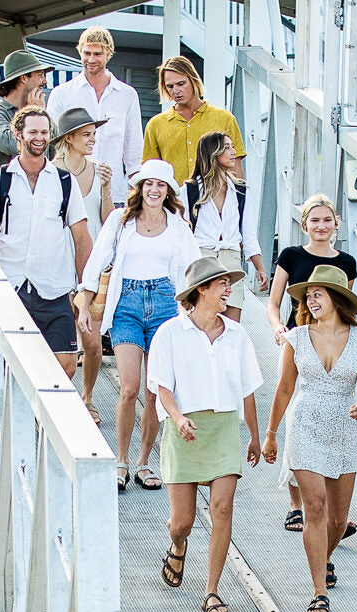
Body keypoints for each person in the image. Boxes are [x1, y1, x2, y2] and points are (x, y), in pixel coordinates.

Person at [260, 266, 357, 612]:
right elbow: (284, 388)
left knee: (339, 520)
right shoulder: (297, 338)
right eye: (308, 295)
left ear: (336, 298)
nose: (311, 300)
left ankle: (324, 556)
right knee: (314, 509)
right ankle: (318, 592)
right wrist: (270, 434)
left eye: (318, 293)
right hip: (307, 424)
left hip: (345, 426)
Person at [74, 159, 198, 492]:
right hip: (127, 302)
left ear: (168, 190)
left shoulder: (178, 227)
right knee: (128, 388)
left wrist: (196, 315)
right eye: (148, 184)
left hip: (164, 304)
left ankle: (145, 462)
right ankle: (121, 460)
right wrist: (85, 303)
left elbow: (194, 271)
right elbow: (97, 259)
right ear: (140, 189)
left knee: (154, 391)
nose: (154, 190)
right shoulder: (120, 220)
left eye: (160, 185)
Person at [149, 256, 263, 612]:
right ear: (202, 290)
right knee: (182, 521)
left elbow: (248, 390)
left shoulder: (237, 334)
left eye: (229, 283)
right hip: (185, 429)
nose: (230, 289)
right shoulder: (169, 333)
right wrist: (178, 417)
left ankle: (212, 590)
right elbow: (162, 388)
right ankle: (177, 544)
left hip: (225, 427)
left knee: (222, 510)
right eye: (222, 284)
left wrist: (258, 437)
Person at [0, 106, 94, 388]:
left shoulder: (65, 182)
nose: (39, 138)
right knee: (8, 361)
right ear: (18, 135)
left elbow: (82, 237)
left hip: (52, 286)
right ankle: (23, 421)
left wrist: (83, 290)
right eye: (33, 132)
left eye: (44, 132)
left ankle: (38, 419)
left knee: (65, 363)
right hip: (9, 285)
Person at [267, 193, 357, 535]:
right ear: (304, 224)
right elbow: (274, 302)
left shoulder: (347, 262)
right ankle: (298, 505)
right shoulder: (292, 256)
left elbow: (346, 307)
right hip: (298, 338)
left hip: (332, 342)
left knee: (333, 417)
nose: (321, 226)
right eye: (314, 220)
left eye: (327, 220)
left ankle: (334, 510)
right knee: (295, 413)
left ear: (336, 223)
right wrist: (279, 327)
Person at [51, 107, 115, 425]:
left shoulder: (98, 169)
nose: (92, 139)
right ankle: (62, 401)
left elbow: (108, 219)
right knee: (61, 343)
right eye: (86, 134)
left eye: (94, 133)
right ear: (70, 138)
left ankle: (87, 397)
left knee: (92, 343)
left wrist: (105, 189)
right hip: (56, 267)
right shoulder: (52, 171)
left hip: (91, 269)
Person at [184, 131, 268, 322]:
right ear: (213, 152)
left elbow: (248, 235)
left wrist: (260, 268)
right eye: (227, 147)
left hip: (231, 261)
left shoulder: (241, 191)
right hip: (201, 259)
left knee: (232, 326)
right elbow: (180, 234)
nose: (233, 152)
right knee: (202, 323)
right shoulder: (189, 190)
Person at [46, 26, 142, 184]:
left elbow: (134, 148)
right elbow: (52, 144)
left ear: (108, 55)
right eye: (87, 53)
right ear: (80, 52)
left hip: (113, 189)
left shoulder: (127, 95)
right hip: (72, 186)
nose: (91, 59)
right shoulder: (61, 93)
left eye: (97, 54)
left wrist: (134, 188)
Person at [141, 55, 245, 186]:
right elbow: (150, 173)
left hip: (215, 201)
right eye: (170, 86)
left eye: (181, 83)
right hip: (174, 202)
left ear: (193, 80)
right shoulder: (156, 125)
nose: (176, 91)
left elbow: (236, 170)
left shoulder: (224, 119)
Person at [0, 49, 52, 178]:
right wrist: (33, 114)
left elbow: (56, 149)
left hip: (38, 192)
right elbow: (16, 145)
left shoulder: (42, 113)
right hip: (3, 195)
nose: (44, 81)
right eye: (40, 75)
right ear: (23, 78)